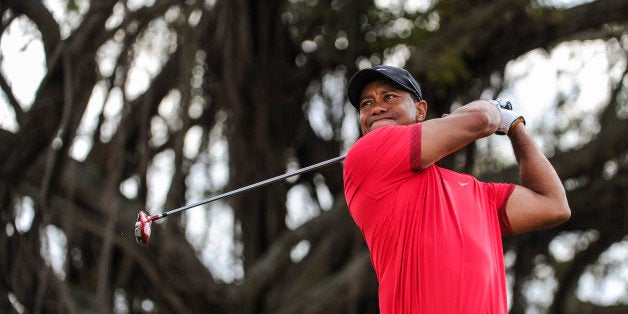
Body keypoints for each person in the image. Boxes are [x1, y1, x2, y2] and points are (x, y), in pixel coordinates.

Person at [342, 65, 571, 313]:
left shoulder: (477, 191)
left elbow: (553, 205)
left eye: (389, 97)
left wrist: (514, 126)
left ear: (420, 111)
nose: (376, 108)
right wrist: (492, 107)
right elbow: (482, 120)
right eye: (366, 104)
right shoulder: (366, 155)